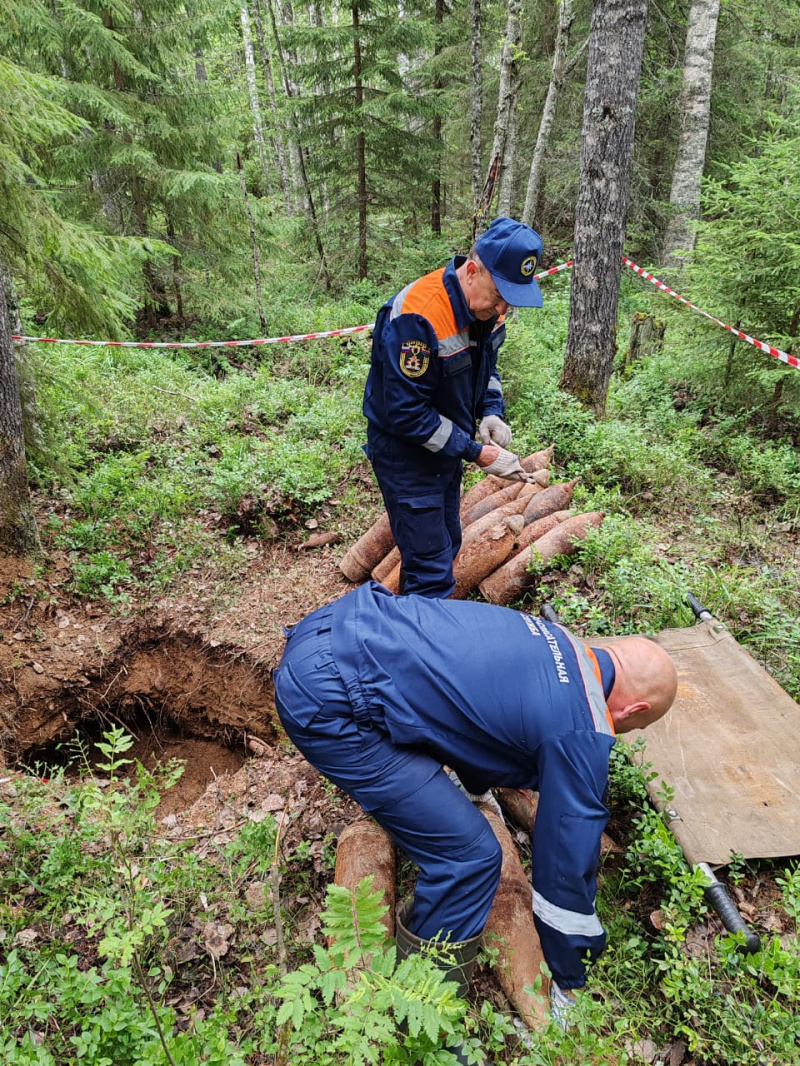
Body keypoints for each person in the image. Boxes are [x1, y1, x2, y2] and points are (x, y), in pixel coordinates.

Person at [274, 582, 678, 1026]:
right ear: (634, 708)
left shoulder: (553, 639)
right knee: (470, 858)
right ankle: (423, 1013)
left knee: (460, 825)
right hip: (328, 699)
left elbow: (480, 722)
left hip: (335, 625)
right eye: (632, 727)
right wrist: (569, 975)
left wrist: (474, 791)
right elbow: (566, 867)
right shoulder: (583, 729)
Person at [363, 217, 545, 599]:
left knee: (447, 544)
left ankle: (408, 622)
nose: (501, 308)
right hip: (406, 454)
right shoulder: (420, 314)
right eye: (498, 295)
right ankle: (420, 650)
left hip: (445, 448)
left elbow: (487, 368)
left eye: (509, 300)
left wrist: (491, 410)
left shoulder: (488, 310)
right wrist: (477, 453)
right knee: (432, 572)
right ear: (473, 271)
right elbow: (405, 413)